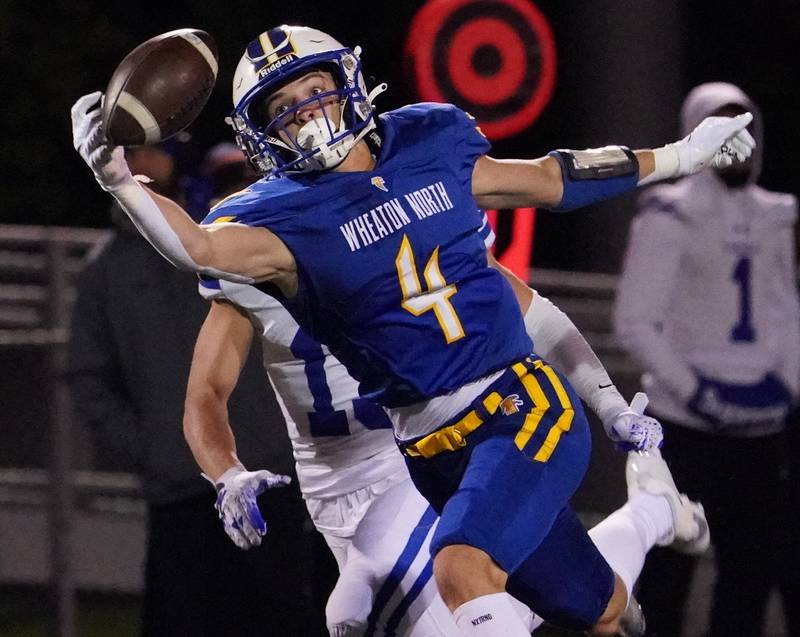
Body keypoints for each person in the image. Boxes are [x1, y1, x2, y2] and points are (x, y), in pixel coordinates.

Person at [71, 24, 753, 635]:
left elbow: (551, 179)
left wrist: (681, 156)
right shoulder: (277, 225)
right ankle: (652, 513)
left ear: (350, 84)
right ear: (260, 134)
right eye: (283, 108)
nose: (306, 113)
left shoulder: (427, 148)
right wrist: (121, 181)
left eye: (314, 90)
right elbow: (200, 249)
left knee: (456, 574)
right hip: (424, 451)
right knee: (600, 607)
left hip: (514, 406)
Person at [66, 144, 324, 636]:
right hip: (178, 494)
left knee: (281, 619)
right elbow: (88, 375)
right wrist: (153, 449)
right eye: (129, 151)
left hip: (266, 480)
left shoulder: (223, 239)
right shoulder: (107, 268)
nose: (142, 163)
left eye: (152, 149)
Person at [614, 82, 800, 637]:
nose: (739, 144)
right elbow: (635, 319)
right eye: (724, 129)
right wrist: (695, 392)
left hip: (761, 430)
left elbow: (784, 309)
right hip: (685, 426)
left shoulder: (777, 214)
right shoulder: (669, 214)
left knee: (750, 577)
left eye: (748, 130)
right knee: (668, 574)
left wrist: (788, 386)